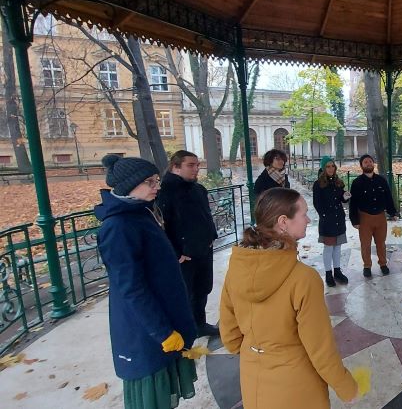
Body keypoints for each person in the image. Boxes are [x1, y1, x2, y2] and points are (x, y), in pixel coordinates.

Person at [219, 188, 358, 408]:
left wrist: (255, 352)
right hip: (297, 385)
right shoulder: (304, 279)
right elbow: (320, 349)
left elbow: (230, 335)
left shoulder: (237, 268)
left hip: (252, 379)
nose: (308, 219)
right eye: (303, 214)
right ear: (283, 221)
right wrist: (345, 385)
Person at [95, 154, 198, 409]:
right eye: (150, 182)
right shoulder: (118, 226)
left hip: (164, 314)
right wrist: (161, 331)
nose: (158, 186)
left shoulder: (140, 212)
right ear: (129, 186)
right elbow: (130, 287)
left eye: (156, 180)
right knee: (152, 392)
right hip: (145, 329)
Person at [157, 150, 219, 337]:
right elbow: (162, 225)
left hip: (203, 248)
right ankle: (187, 327)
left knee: (203, 288)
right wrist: (176, 252)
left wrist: (211, 237)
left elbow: (204, 217)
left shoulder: (197, 188)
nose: (196, 169)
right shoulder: (165, 192)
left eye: (197, 165)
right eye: (190, 165)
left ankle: (199, 324)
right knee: (186, 293)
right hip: (185, 254)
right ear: (175, 167)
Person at [349, 154, 399, 277]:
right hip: (365, 217)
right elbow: (353, 203)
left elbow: (388, 197)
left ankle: (383, 263)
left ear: (373, 164)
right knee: (365, 244)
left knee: (381, 242)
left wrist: (392, 212)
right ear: (361, 165)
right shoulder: (357, 183)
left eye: (370, 161)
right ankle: (367, 266)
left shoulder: (381, 180)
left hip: (380, 217)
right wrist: (354, 220)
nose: (368, 163)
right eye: (365, 162)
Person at [312, 156, 351, 287]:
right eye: (328, 166)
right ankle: (328, 273)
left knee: (338, 247)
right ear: (323, 168)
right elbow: (317, 203)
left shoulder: (338, 182)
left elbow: (341, 199)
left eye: (332, 166)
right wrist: (325, 216)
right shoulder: (318, 184)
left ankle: (337, 271)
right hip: (327, 220)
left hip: (339, 219)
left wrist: (345, 197)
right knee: (329, 248)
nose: (331, 168)